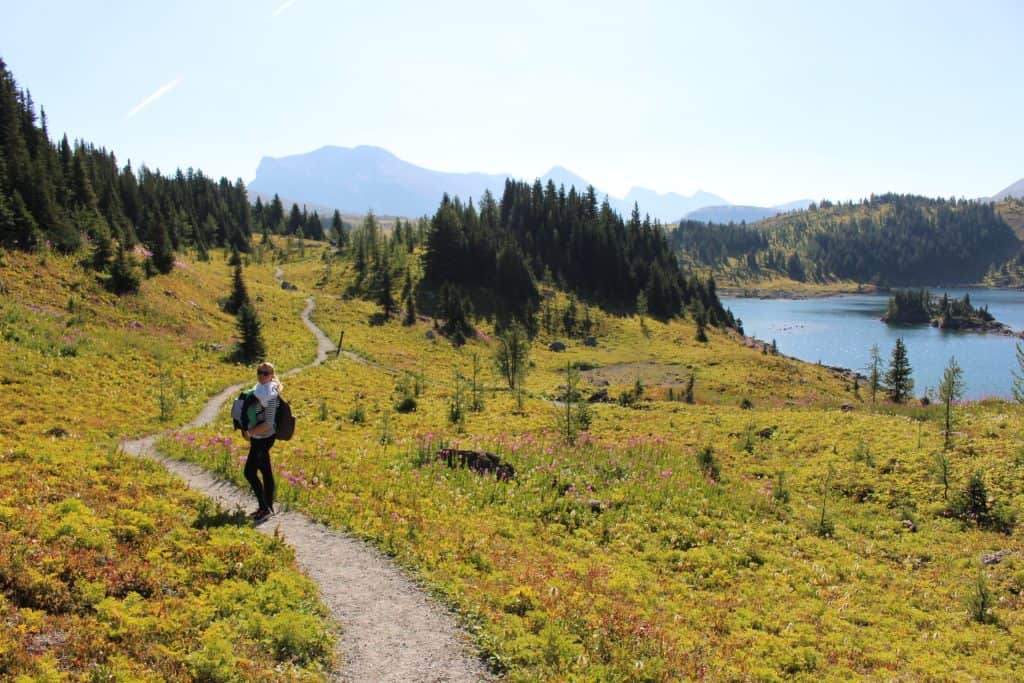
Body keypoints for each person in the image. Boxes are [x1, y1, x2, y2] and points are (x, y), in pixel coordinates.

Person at [243, 361, 281, 522]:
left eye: (266, 373)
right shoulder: (258, 390)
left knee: (249, 472)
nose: (261, 375)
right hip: (258, 437)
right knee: (265, 470)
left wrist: (250, 433)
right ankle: (266, 507)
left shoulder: (271, 395)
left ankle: (264, 507)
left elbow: (268, 423)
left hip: (264, 438)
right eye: (259, 371)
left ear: (272, 376)